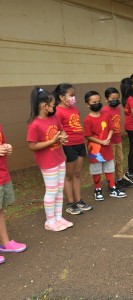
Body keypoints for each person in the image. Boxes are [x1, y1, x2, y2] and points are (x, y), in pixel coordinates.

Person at [27, 87, 73, 231]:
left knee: (59, 189)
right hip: (48, 163)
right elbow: (32, 145)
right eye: (52, 104)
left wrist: (63, 137)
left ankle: (58, 217)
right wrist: (52, 141)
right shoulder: (34, 124)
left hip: (59, 158)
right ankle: (50, 221)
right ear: (44, 106)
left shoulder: (53, 118)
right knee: (52, 190)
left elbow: (62, 130)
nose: (54, 107)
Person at [54, 83, 92, 215]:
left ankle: (79, 200)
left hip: (80, 143)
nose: (73, 98)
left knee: (77, 173)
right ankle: (71, 203)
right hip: (68, 146)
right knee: (68, 175)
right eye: (71, 95)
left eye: (74, 95)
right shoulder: (57, 111)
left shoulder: (75, 109)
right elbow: (57, 130)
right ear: (62, 97)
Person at [83, 91, 127, 200]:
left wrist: (108, 138)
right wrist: (101, 142)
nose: (97, 103)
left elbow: (111, 128)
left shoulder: (106, 115)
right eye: (94, 102)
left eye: (98, 101)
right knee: (96, 170)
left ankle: (112, 188)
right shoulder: (87, 119)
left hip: (107, 148)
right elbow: (88, 136)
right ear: (87, 104)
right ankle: (97, 190)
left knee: (109, 168)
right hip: (95, 150)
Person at [0, 125, 27, 264]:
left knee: (0, 211)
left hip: (2, 174)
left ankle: (5, 243)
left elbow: (2, 143)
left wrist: (6, 146)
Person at [102, 87, 133, 190]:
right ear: (106, 99)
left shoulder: (117, 109)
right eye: (112, 98)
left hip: (118, 139)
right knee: (111, 163)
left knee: (120, 160)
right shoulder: (105, 111)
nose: (115, 100)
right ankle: (111, 183)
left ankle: (120, 179)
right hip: (110, 141)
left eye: (117, 98)